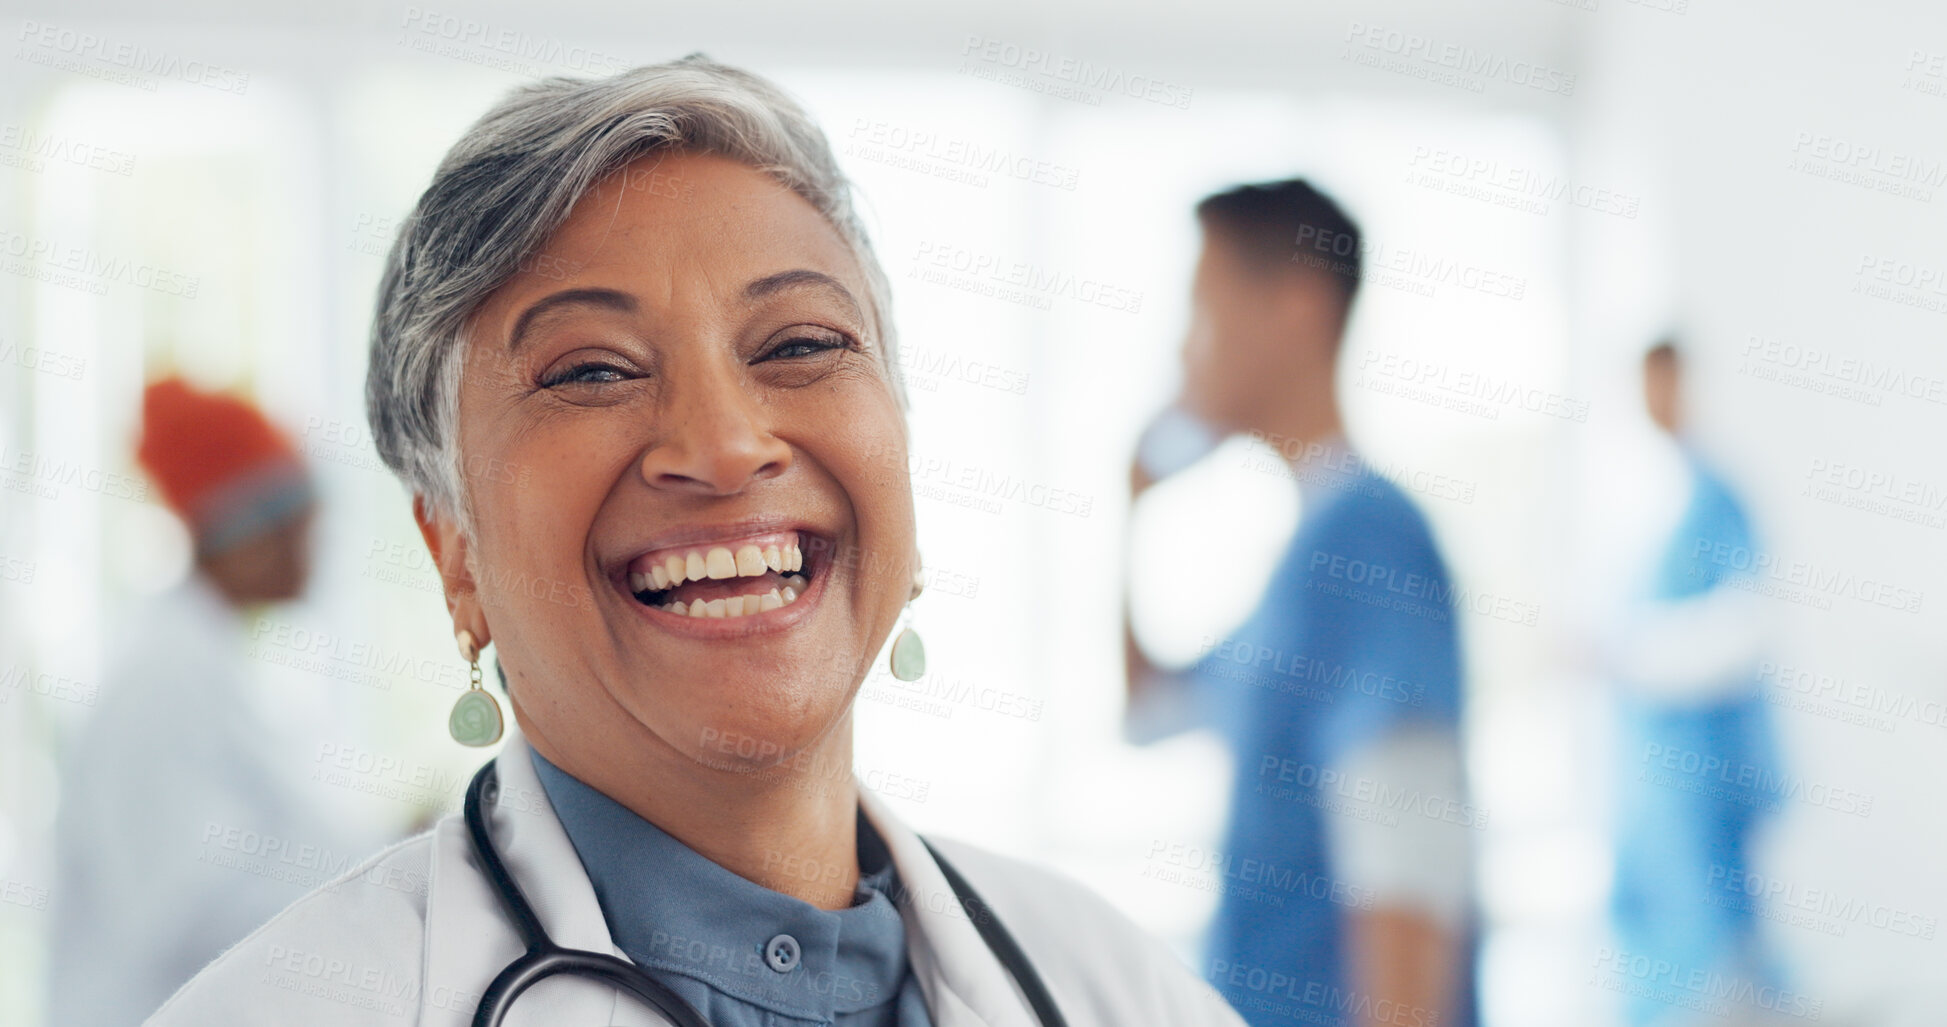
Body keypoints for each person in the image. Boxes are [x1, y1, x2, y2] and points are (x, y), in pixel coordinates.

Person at [147, 57, 1245, 1026]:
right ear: (455, 555)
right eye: (592, 370)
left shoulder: (1119, 989)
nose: (723, 446)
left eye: (803, 343)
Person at [1123, 180, 1476, 1026]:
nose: (1183, 349)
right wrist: (1130, 503)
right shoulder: (1302, 561)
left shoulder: (1369, 542)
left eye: (1202, 311)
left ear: (1295, 306)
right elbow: (1146, 712)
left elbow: (1407, 874)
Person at [49, 377, 325, 1026]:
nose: (315, 548)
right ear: (245, 533)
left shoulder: (206, 665)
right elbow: (186, 906)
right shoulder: (159, 681)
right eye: (298, 524)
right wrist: (378, 879)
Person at [1602, 341, 1781, 1027]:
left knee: (1716, 957)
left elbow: (1740, 631)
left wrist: (1632, 656)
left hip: (1705, 769)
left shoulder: (1714, 498)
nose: (1655, 401)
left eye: (1664, 384)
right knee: (1661, 951)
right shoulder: (1649, 498)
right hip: (1655, 778)